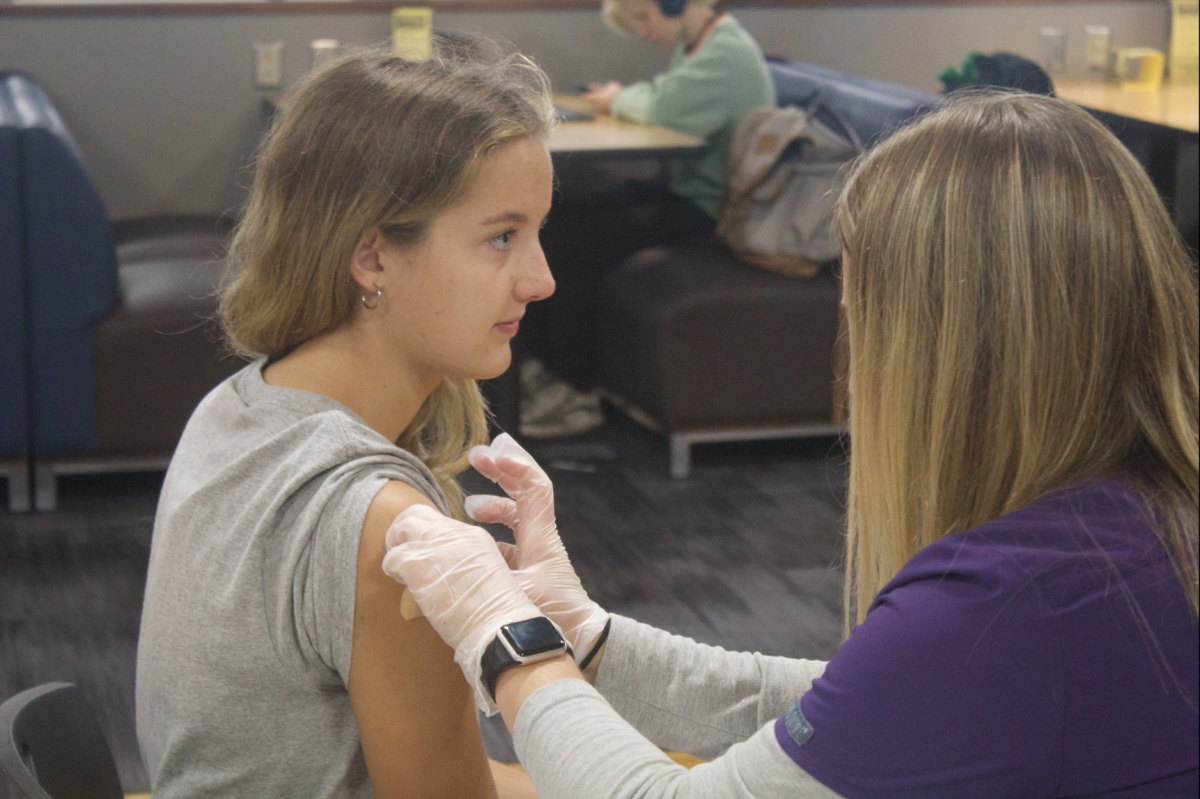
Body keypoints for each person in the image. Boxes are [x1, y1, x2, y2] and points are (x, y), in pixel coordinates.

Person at [382, 91, 1199, 798]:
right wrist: (585, 637)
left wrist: (506, 638)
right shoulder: (1132, 529)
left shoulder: (1008, 603)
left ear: (936, 350)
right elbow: (850, 705)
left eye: (858, 318)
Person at [135, 43, 556, 799]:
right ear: (374, 258)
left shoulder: (237, 405)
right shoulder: (386, 529)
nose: (542, 278)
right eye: (502, 237)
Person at [520, 0, 775, 434]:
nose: (642, 30)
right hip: (680, 190)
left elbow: (661, 108)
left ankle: (573, 392)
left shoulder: (725, 53)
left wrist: (620, 98)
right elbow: (661, 98)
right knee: (556, 212)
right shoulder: (700, 44)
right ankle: (538, 365)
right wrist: (627, 99)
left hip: (708, 208)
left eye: (644, 17)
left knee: (570, 246)